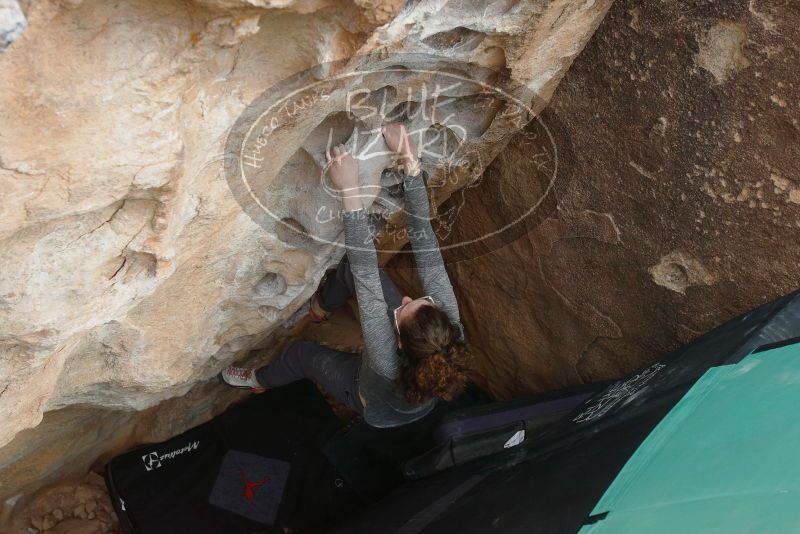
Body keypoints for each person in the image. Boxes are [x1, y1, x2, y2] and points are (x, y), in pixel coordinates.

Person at [221, 122, 470, 428]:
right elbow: (424, 238)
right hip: (415, 376)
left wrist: (348, 189)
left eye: (402, 309)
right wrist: (409, 159)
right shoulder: (448, 328)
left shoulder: (384, 357)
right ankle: (322, 306)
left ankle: (260, 379)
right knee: (350, 271)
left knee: (301, 355)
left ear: (399, 343)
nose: (405, 298)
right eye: (420, 301)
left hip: (369, 395)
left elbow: (366, 266)